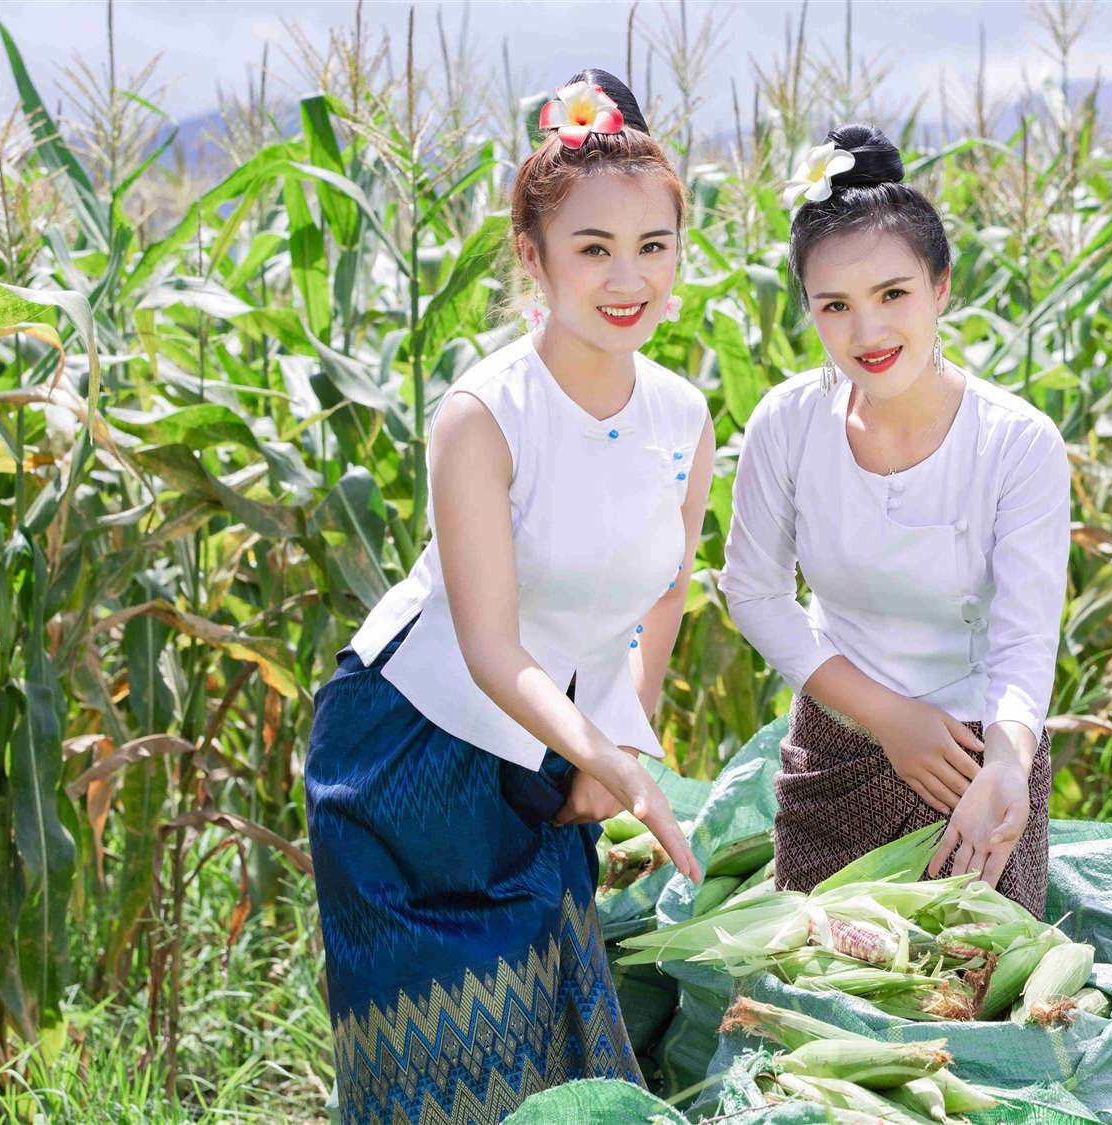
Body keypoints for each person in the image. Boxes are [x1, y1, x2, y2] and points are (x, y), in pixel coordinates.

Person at [305, 70, 710, 1125]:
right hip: (411, 757)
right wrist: (599, 755)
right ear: (532, 258)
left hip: (548, 745)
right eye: (592, 249)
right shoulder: (483, 415)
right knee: (440, 1072)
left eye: (652, 247)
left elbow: (660, 594)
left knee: (558, 1057)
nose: (629, 279)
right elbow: (488, 645)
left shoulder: (682, 414)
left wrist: (626, 737)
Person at [719, 124, 1071, 917]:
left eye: (893, 295)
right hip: (836, 746)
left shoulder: (1015, 443)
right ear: (808, 308)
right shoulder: (788, 422)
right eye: (834, 306)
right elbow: (756, 593)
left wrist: (1009, 767)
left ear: (941, 286)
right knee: (819, 988)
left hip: (977, 758)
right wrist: (886, 716)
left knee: (962, 998)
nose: (868, 333)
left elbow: (1024, 642)